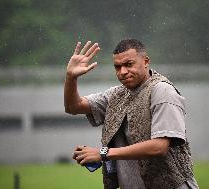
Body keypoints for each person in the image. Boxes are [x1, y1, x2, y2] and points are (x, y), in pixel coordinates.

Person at [64, 39, 199, 189]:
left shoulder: (162, 90)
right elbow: (73, 107)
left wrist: (103, 153)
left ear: (146, 61)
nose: (122, 72)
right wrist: (71, 77)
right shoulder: (116, 95)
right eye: (117, 67)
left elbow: (159, 146)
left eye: (129, 64)